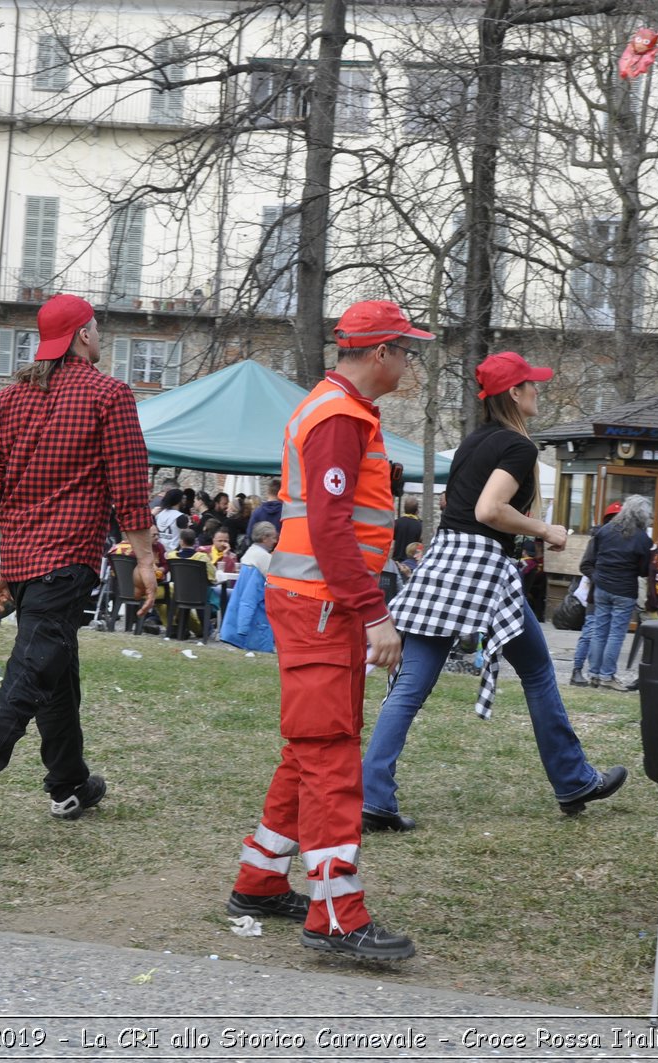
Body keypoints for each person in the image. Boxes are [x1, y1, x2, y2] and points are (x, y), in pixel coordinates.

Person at [228, 298, 428, 962]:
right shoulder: (339, 417)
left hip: (315, 602)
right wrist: (376, 613)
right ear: (380, 353)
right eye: (408, 350)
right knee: (330, 754)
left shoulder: (338, 410)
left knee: (310, 748)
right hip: (323, 605)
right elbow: (331, 529)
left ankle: (260, 878)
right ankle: (337, 914)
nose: (410, 362)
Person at [361, 351, 628, 832]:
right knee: (539, 670)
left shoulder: (474, 442)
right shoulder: (517, 447)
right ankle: (572, 780)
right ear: (513, 393)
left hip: (445, 563)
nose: (537, 391)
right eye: (532, 385)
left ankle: (374, 796)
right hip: (481, 569)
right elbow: (489, 510)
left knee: (412, 686)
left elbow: (462, 507)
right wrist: (545, 530)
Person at [0, 293, 155, 855]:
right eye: (97, 328)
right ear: (82, 335)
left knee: (55, 666)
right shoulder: (110, 394)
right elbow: (129, 488)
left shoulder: (11, 398)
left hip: (25, 563)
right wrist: (147, 561)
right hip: (65, 559)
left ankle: (69, 783)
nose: (99, 337)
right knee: (30, 675)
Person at [578, 495, 654, 691]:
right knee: (615, 634)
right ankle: (607, 675)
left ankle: (593, 674)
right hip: (624, 590)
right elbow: (644, 570)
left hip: (601, 588)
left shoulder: (605, 530)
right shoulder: (642, 539)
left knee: (599, 631)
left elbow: (593, 558)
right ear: (642, 516)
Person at [569, 502, 623, 687]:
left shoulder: (620, 540)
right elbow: (585, 565)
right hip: (596, 594)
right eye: (613, 518)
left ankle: (596, 674)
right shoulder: (598, 539)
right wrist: (600, 579)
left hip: (606, 592)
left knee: (602, 633)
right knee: (590, 631)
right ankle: (577, 670)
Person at [392, 496, 422, 562]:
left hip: (396, 561)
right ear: (417, 510)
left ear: (404, 508)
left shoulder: (396, 523)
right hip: (411, 562)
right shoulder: (420, 525)